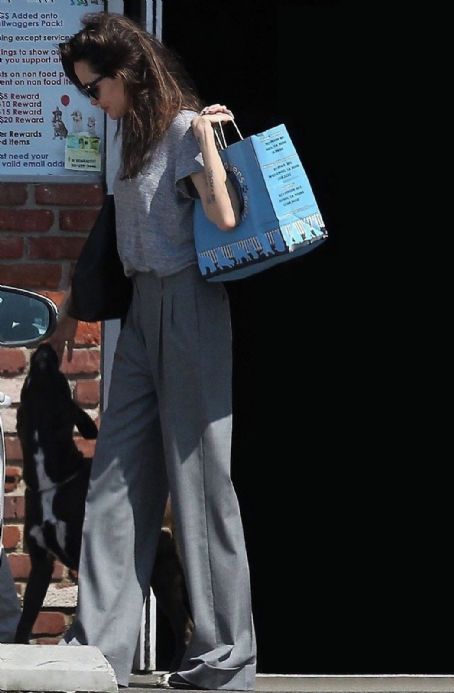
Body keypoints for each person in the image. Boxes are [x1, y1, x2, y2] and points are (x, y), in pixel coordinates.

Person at [50, 12, 256, 691]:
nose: (92, 102)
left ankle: (224, 657)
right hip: (142, 313)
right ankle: (95, 650)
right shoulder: (129, 140)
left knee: (199, 481)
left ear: (128, 73)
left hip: (189, 306)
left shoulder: (178, 130)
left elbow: (225, 220)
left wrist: (203, 138)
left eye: (94, 88)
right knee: (116, 478)